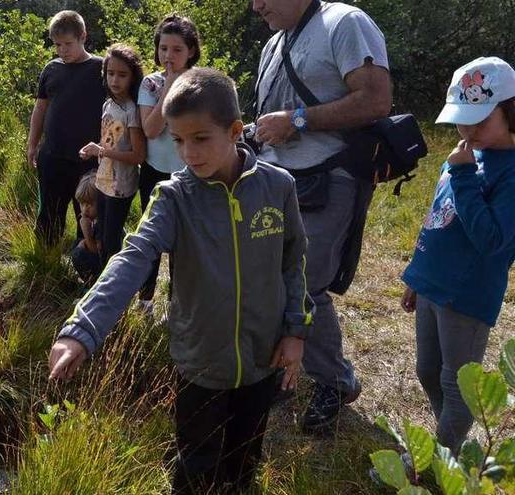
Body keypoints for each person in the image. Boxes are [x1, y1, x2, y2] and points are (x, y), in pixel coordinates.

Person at [49, 68, 314, 494]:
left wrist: (296, 331)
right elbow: (132, 259)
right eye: (177, 140)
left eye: (200, 138)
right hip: (201, 363)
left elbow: (294, 260)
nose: (188, 153)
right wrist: (83, 330)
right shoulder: (174, 198)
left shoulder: (277, 187)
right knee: (195, 468)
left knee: (243, 466)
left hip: (262, 357)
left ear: (234, 131)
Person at [251, 0, 392, 432]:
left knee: (306, 282)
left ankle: (334, 381)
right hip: (275, 179)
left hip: (329, 179)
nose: (256, 7)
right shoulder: (274, 43)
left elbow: (376, 99)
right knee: (272, 277)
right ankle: (286, 367)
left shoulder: (345, 22)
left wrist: (297, 119)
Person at [401, 57, 515, 453]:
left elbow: (492, 240)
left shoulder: (507, 171)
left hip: (466, 295)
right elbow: (438, 214)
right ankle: (450, 439)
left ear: (510, 111)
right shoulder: (465, 153)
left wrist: (465, 175)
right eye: (461, 119)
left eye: (480, 120)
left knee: (457, 382)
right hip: (433, 284)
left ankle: (436, 459)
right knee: (427, 370)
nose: (467, 129)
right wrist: (417, 275)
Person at [136, 14, 201, 312]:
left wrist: (180, 84)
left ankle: (177, 306)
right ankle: (145, 300)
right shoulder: (150, 84)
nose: (169, 56)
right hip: (153, 173)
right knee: (150, 237)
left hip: (190, 175)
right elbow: (150, 130)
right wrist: (169, 86)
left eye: (177, 49)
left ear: (190, 50)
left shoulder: (201, 83)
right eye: (164, 48)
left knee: (184, 244)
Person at [27, 10, 106, 247]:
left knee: (89, 214)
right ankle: (45, 263)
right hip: (52, 156)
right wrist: (32, 144)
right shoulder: (51, 69)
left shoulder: (101, 68)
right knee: (49, 214)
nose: (62, 50)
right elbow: (40, 109)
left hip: (88, 160)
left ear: (83, 36)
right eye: (57, 45)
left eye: (68, 44)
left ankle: (88, 265)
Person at [78, 43, 147, 268]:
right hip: (103, 180)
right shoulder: (108, 105)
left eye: (122, 75)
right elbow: (107, 142)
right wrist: (94, 149)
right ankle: (98, 282)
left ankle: (112, 292)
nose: (115, 80)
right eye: (110, 74)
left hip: (121, 187)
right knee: (100, 233)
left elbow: (137, 155)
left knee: (111, 241)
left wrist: (102, 151)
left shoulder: (131, 111)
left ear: (132, 77)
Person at [70, 172, 102, 285]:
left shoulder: (101, 224)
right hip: (100, 257)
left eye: (89, 204)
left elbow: (97, 251)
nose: (84, 209)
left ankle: (93, 283)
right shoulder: (94, 219)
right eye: (82, 204)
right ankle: (89, 277)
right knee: (76, 244)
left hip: (108, 264)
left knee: (78, 254)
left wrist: (86, 233)